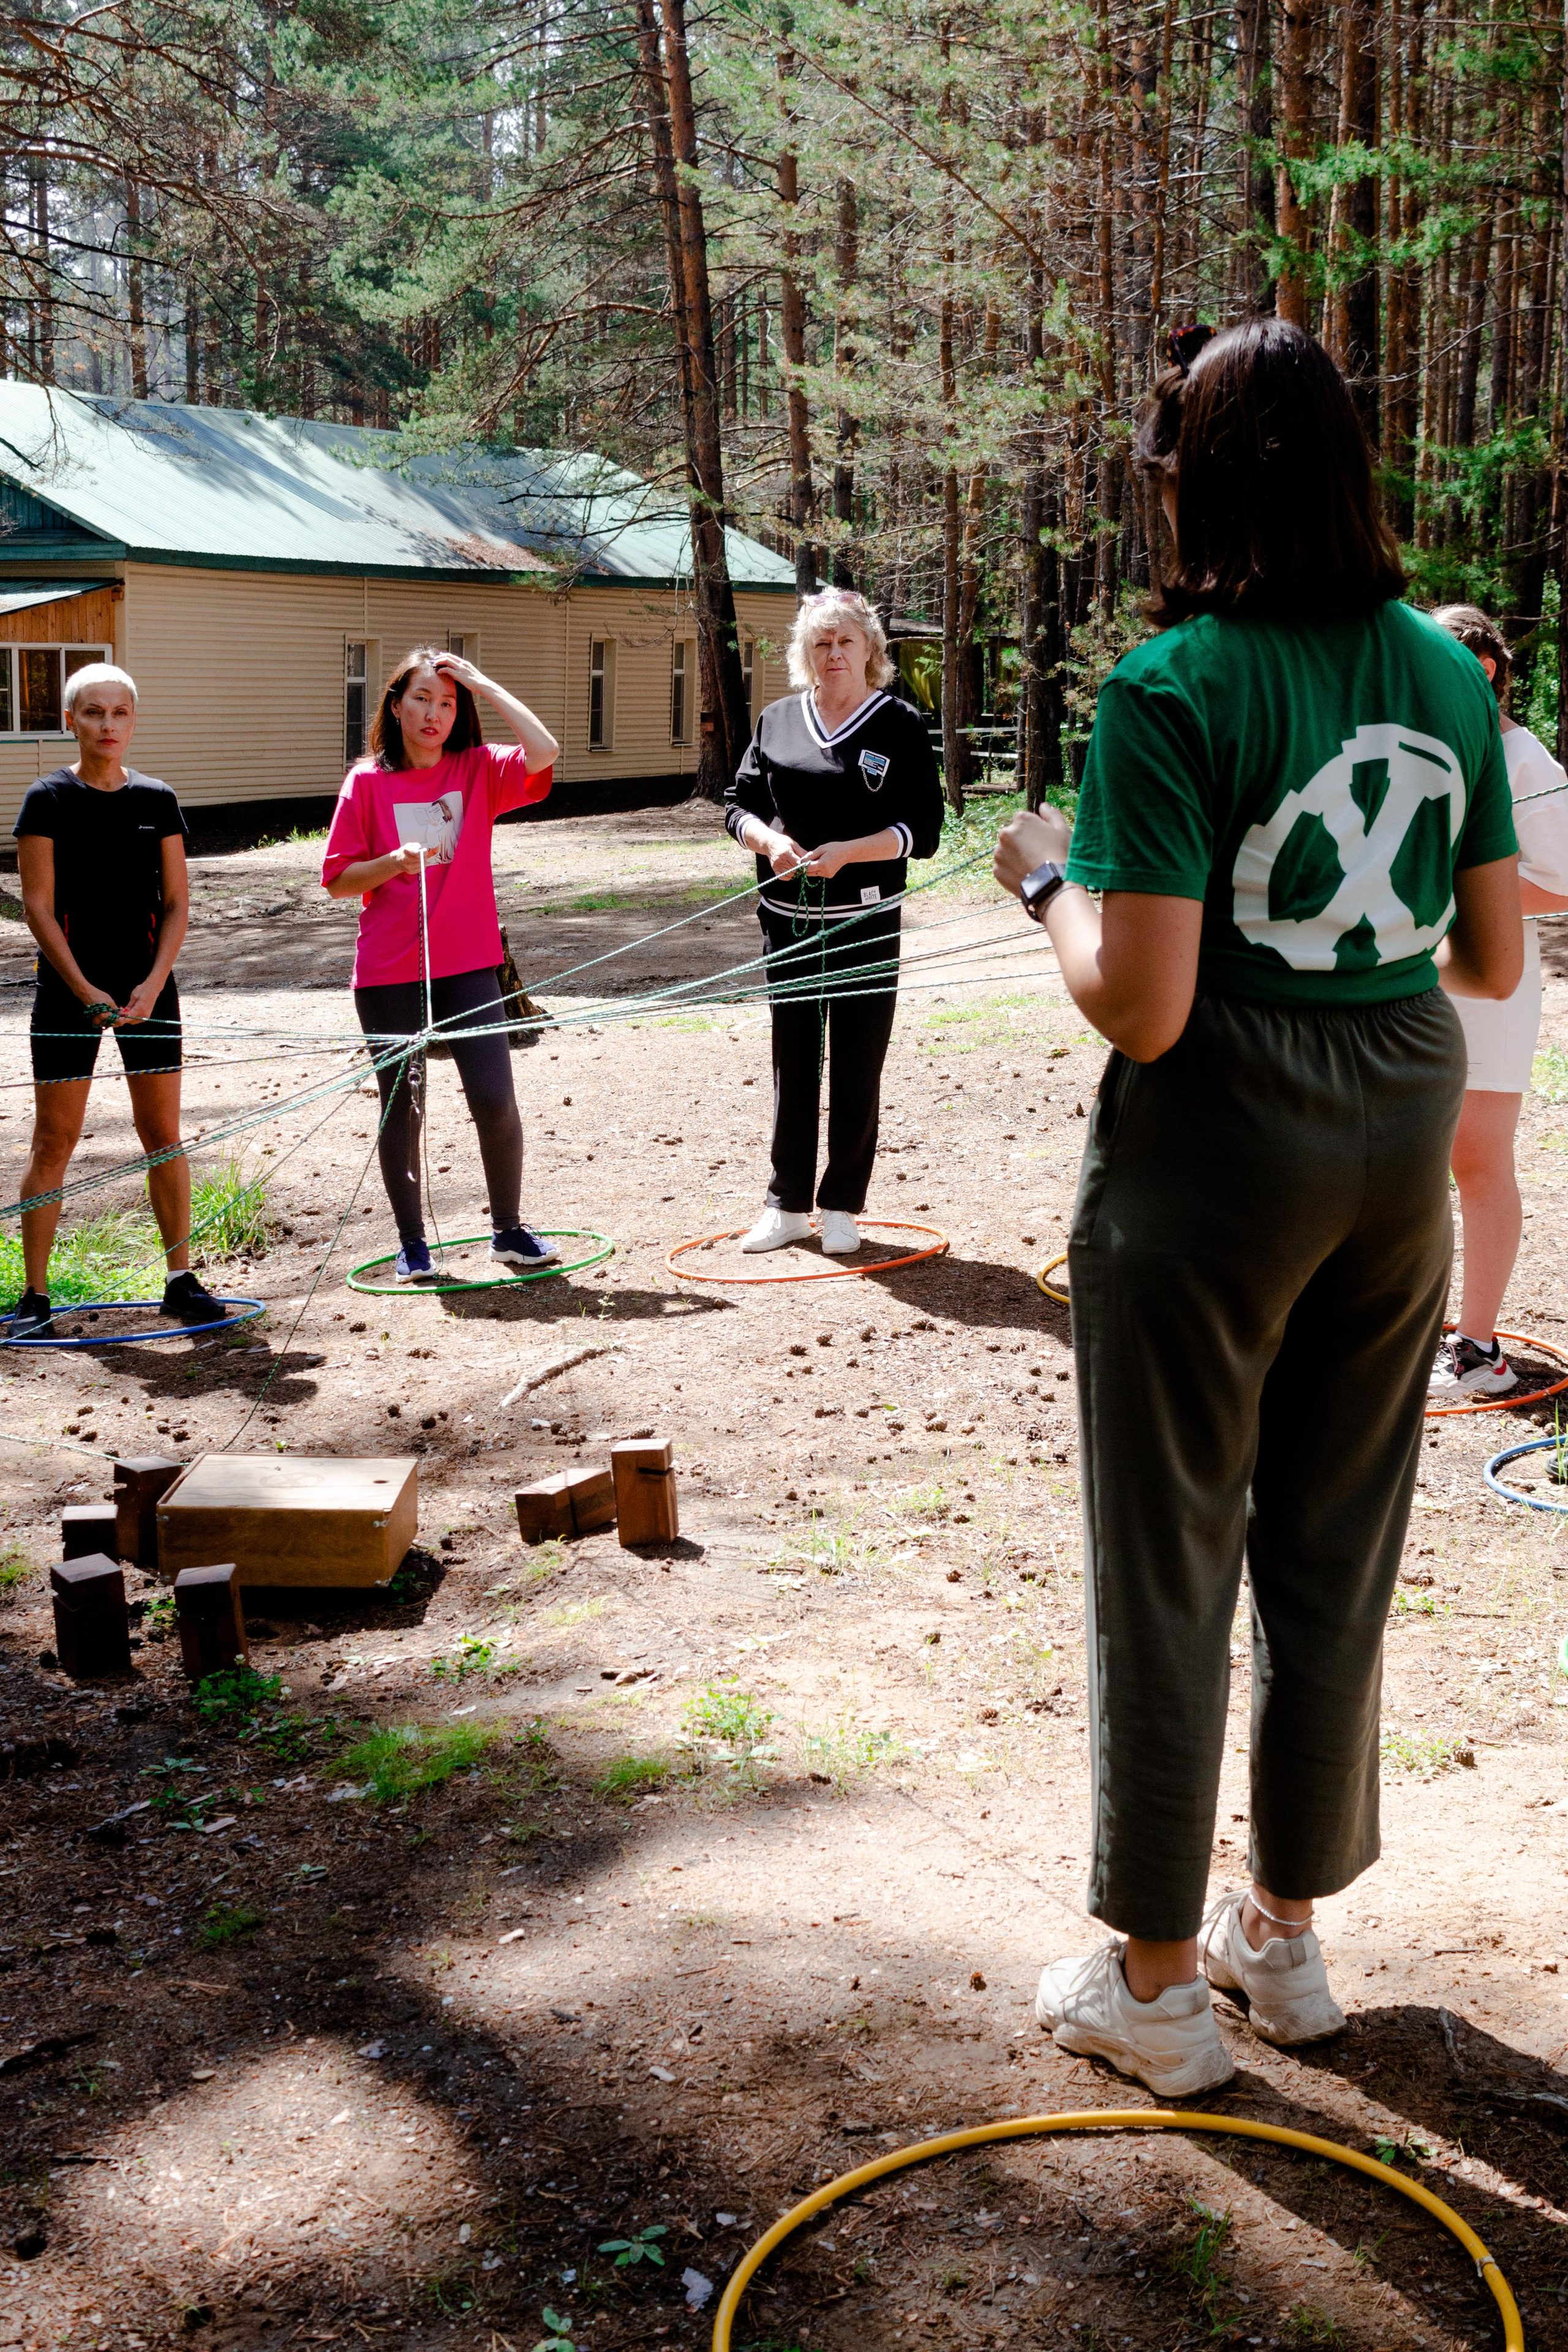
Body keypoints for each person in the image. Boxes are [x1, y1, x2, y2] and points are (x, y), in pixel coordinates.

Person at [993, 319, 1521, 2097]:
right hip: (1401, 1125)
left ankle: (1153, 1979)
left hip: (1220, 1142)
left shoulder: (1169, 686)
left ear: (1190, 479)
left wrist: (1046, 879)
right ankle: (1280, 1936)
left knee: (1169, 1549)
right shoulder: (1447, 672)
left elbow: (1137, 1002)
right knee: (1334, 1536)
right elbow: (1492, 952)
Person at [322, 647, 560, 1282]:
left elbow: (544, 752)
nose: (434, 714)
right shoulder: (366, 782)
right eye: (422, 699)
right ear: (397, 707)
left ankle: (509, 1232)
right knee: (403, 1106)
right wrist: (392, 864)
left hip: (469, 964)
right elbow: (339, 879)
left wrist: (484, 684)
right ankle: (413, 1245)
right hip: (389, 969)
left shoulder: (477, 769)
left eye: (448, 703)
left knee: (494, 1097)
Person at [725, 587, 944, 1254]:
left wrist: (851, 852)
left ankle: (843, 1204)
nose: (834, 653)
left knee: (856, 1061)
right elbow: (737, 806)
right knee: (793, 1060)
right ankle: (786, 1204)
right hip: (787, 921)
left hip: (865, 921)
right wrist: (770, 842)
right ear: (806, 652)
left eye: (847, 640)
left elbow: (924, 830)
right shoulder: (776, 720)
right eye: (822, 642)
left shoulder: (900, 723)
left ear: (870, 649)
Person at [10, 663, 226, 1339]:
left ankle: (180, 1280)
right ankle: (35, 1297)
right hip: (68, 991)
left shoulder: (158, 799)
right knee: (54, 1141)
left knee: (162, 1134)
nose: (108, 725)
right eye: (94, 712)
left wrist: (153, 984)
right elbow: (37, 907)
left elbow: (177, 904)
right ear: (71, 720)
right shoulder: (46, 798)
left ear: (134, 720)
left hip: (147, 989)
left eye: (120, 712)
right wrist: (83, 989)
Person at [1426, 605, 1568, 1395]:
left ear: (1482, 671)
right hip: (1409, 977)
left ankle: (1478, 1351)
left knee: (1475, 1157)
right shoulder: (1418, 748)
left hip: (1491, 984)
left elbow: (1560, 883)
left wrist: (1455, 889)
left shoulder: (1521, 757)